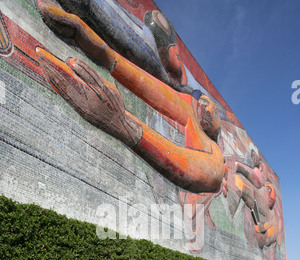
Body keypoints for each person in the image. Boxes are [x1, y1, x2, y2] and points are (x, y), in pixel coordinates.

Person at [35, 0, 225, 193]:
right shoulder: (191, 109)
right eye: (202, 101)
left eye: (211, 111)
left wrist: (123, 125)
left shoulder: (214, 154)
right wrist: (103, 52)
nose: (205, 107)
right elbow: (152, 89)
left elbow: (200, 172)